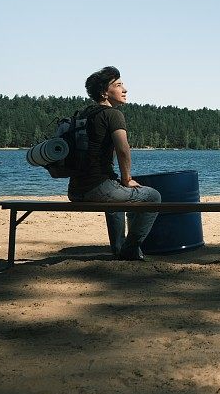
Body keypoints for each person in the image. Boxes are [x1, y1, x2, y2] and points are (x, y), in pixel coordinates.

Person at [67, 66, 161, 261]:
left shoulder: (84, 114)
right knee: (152, 196)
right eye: (118, 85)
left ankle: (119, 249)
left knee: (115, 197)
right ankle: (129, 248)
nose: (125, 89)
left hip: (75, 189)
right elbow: (123, 149)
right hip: (97, 188)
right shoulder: (113, 114)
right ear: (104, 92)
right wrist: (127, 179)